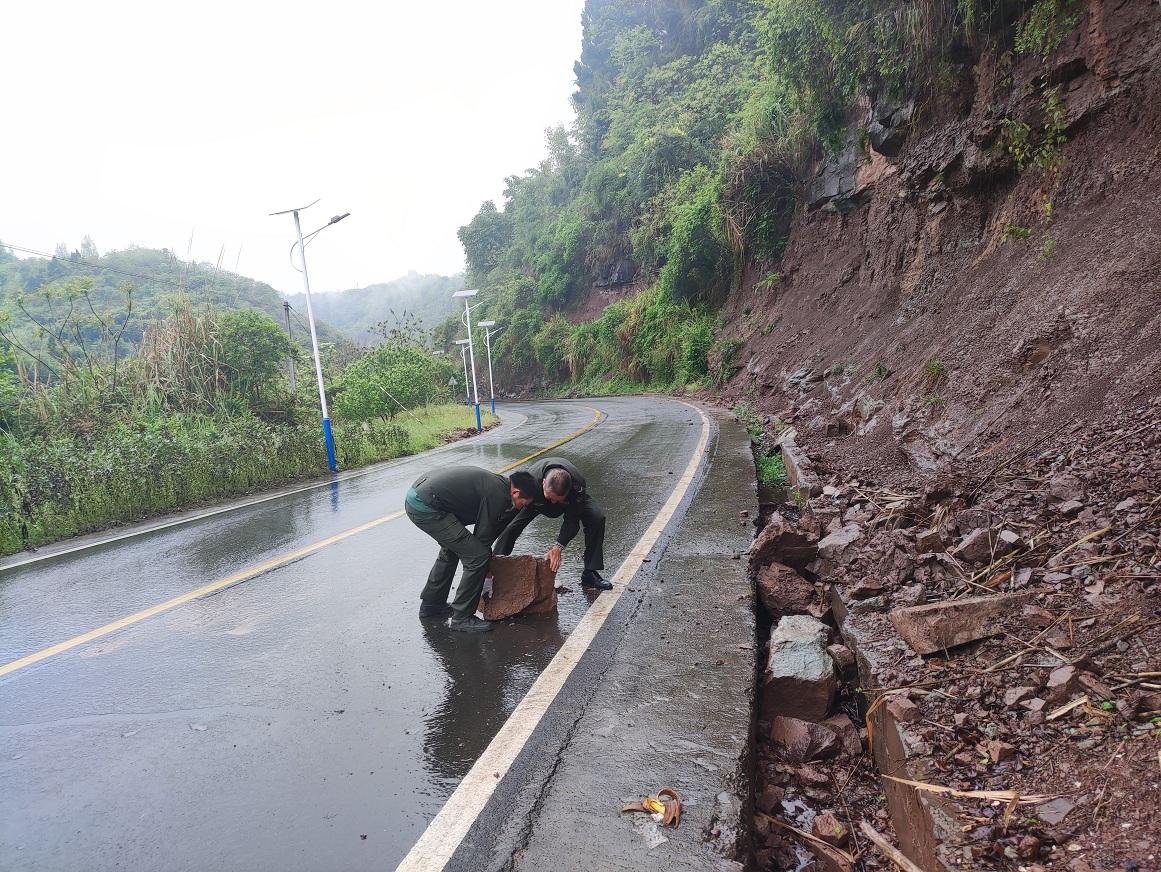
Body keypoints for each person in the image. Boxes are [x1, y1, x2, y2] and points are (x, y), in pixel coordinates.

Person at [405, 466, 538, 632]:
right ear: (516, 492)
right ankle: (462, 617)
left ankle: (432, 604)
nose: (519, 508)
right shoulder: (499, 496)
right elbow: (483, 538)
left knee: (453, 549)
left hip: (422, 498)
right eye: (522, 504)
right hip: (426, 506)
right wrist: (486, 572)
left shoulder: (499, 484)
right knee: (478, 557)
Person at [493, 456, 612, 590]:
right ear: (543, 483)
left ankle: (590, 574)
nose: (553, 502)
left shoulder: (577, 487)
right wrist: (485, 539)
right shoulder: (532, 481)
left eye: (558, 500)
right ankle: (495, 570)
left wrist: (558, 547)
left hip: (568, 502)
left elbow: (572, 521)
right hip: (536, 500)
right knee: (511, 527)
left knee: (596, 518)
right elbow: (509, 511)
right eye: (550, 498)